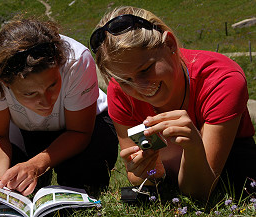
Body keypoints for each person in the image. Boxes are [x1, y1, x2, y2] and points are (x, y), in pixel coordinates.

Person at [89, 6, 256, 199]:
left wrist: (193, 148)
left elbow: (200, 190)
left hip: (230, 158)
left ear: (170, 44)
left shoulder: (221, 78)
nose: (140, 87)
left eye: (145, 70)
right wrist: (150, 173)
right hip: (170, 165)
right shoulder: (118, 90)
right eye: (126, 80)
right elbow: (136, 177)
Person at [0, 18, 118, 198]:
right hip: (24, 129)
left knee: (85, 174)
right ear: (4, 83)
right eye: (30, 94)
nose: (47, 102)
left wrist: (35, 166)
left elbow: (80, 132)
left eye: (53, 85)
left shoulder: (76, 60)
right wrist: (1, 177)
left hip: (81, 127)